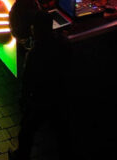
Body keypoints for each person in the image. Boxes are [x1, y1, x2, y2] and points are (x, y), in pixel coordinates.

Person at [9, 9, 71, 160]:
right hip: (59, 95)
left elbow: (27, 81)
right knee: (61, 130)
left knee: (26, 131)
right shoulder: (62, 43)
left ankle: (21, 156)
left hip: (40, 100)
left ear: (36, 29)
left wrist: (23, 100)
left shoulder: (35, 53)